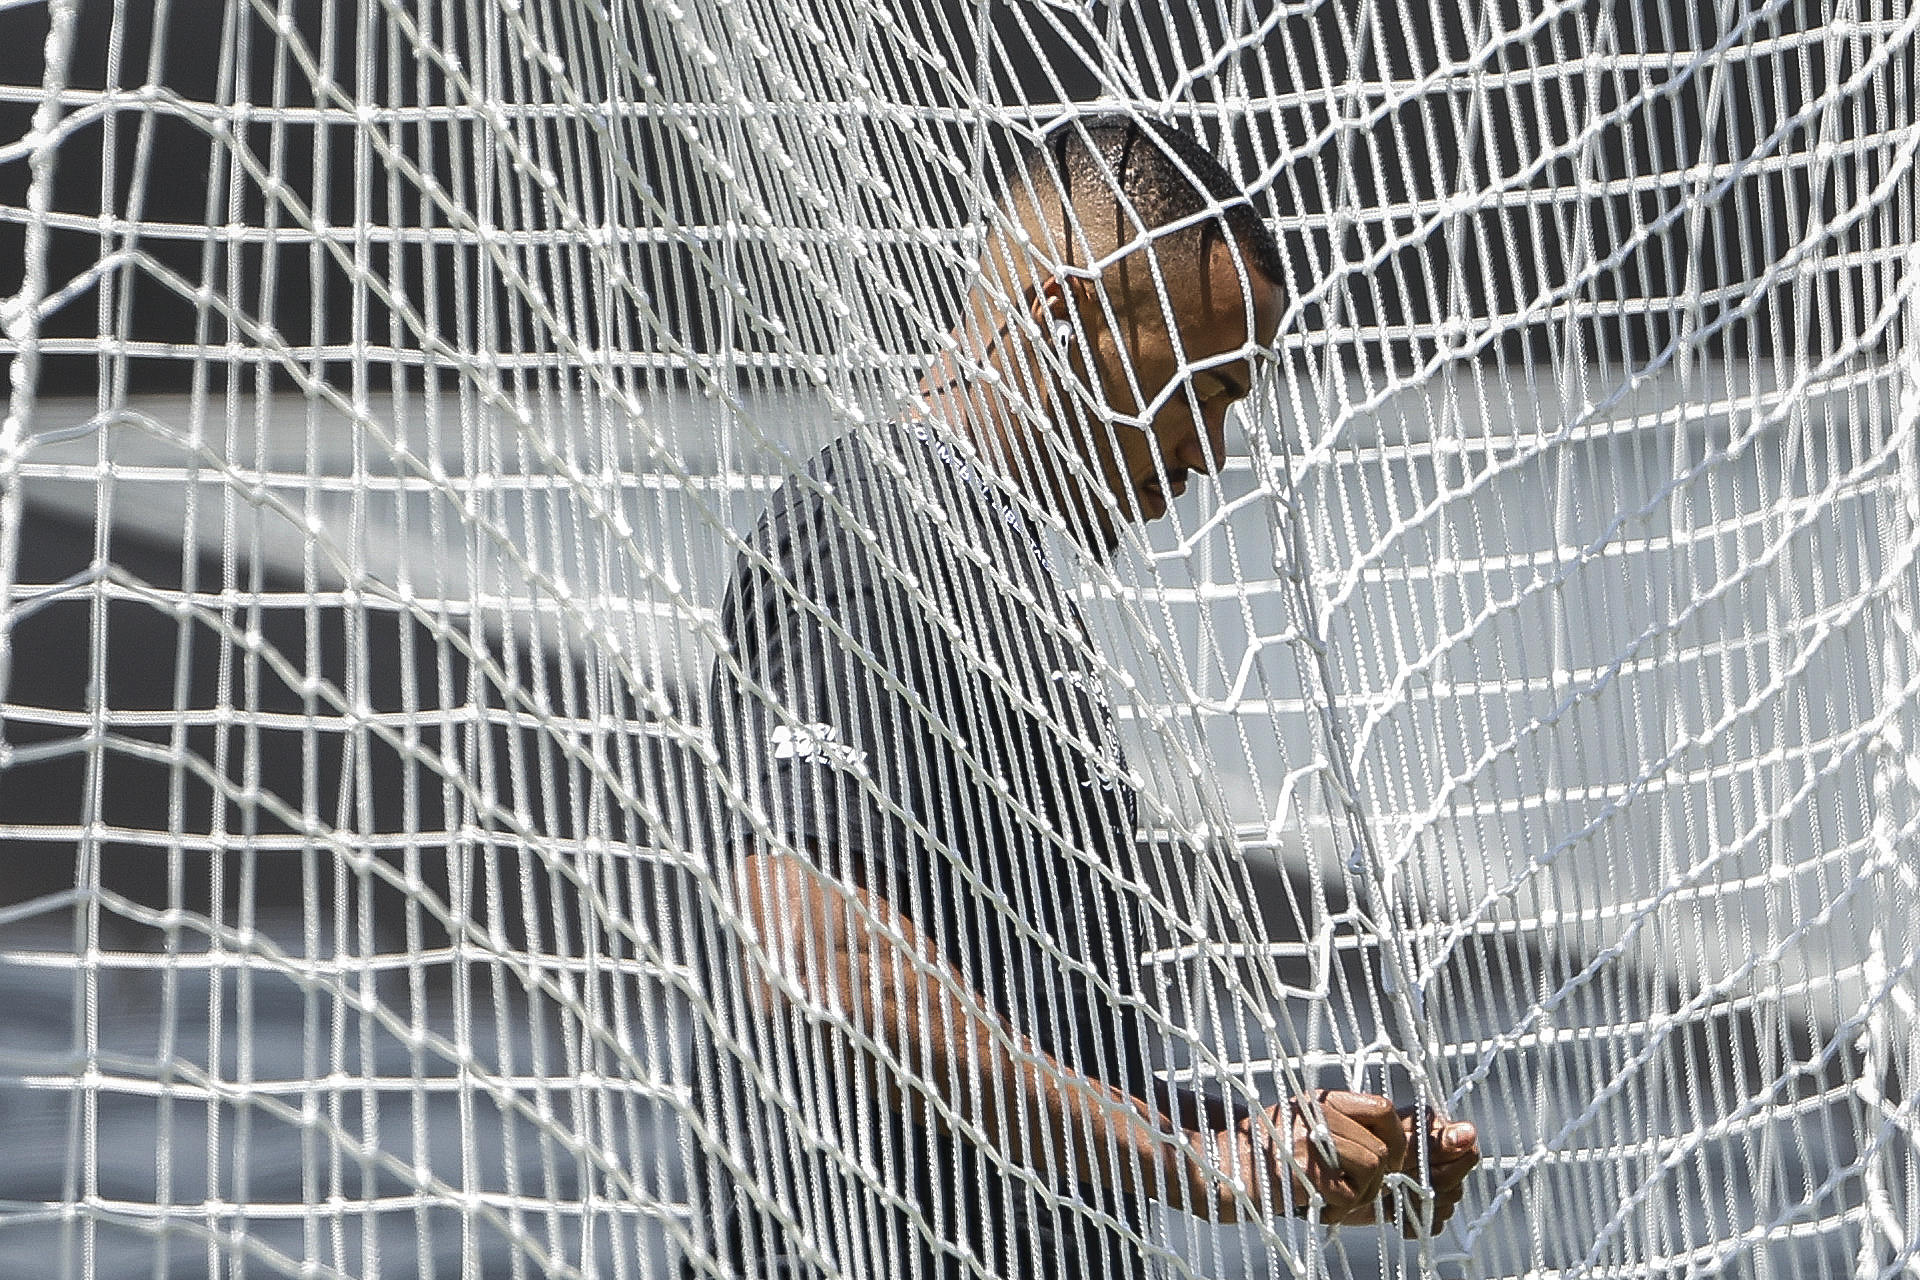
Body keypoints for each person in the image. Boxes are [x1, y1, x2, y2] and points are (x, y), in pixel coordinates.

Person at [697, 116, 1479, 1280]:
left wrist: (1281, 1142)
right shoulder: (870, 537)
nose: (1213, 451)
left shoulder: (989, 568)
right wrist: (1204, 1159)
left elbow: (1005, 1058)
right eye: (1200, 389)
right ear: (1070, 323)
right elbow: (815, 952)